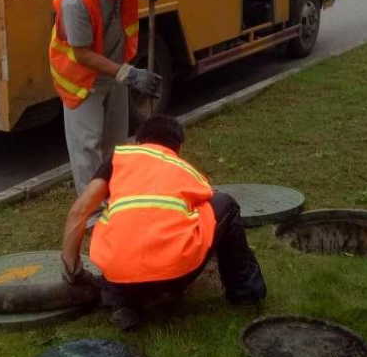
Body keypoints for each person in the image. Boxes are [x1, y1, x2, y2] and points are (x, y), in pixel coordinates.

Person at [60, 114, 267, 330]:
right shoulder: (184, 169)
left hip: (117, 280)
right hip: (173, 277)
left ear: (139, 141)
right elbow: (207, 205)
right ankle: (247, 293)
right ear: (178, 148)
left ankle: (124, 302)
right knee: (225, 204)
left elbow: (79, 211)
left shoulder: (120, 159)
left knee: (117, 220)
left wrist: (73, 271)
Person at [49, 0, 167, 196]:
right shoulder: (76, 0)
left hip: (114, 69)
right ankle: (91, 208)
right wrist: (130, 74)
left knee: (116, 141)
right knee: (88, 146)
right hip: (81, 79)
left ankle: (115, 196)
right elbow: (82, 54)